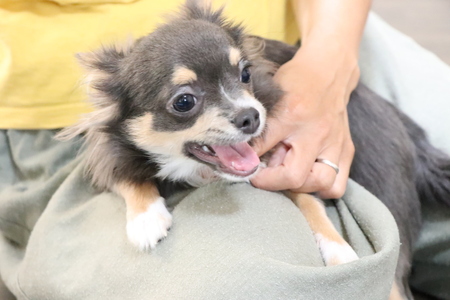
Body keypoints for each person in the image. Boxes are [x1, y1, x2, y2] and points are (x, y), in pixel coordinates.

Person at [0, 0, 448, 299]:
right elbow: (118, 158)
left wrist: (330, 63)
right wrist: (138, 194)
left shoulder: (245, 82)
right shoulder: (119, 120)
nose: (245, 112)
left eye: (243, 80)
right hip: (39, 106)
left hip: (317, 35)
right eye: (184, 102)